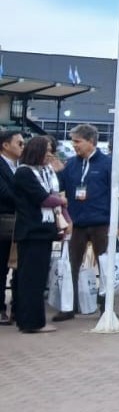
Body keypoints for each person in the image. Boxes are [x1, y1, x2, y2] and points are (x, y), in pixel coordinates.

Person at [55, 124, 117, 322]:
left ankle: (106, 305)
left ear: (91, 141)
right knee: (71, 265)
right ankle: (69, 306)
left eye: (77, 141)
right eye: (73, 141)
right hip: (76, 223)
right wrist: (57, 172)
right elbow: (59, 186)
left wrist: (118, 220)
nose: (74, 145)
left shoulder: (108, 164)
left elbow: (118, 193)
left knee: (104, 265)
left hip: (101, 223)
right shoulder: (70, 164)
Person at [11, 135, 68, 333]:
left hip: (44, 231)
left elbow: (56, 193)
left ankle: (30, 319)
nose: (50, 155)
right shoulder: (24, 173)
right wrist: (61, 201)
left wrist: (64, 217)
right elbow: (42, 198)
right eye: (47, 151)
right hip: (31, 232)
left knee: (38, 278)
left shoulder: (46, 172)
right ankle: (31, 322)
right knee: (31, 279)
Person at [0, 129, 24, 326]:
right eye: (19, 143)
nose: (23, 147)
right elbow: (5, 193)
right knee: (1, 267)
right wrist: (29, 199)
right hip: (4, 222)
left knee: (19, 268)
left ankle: (18, 308)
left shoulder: (21, 167)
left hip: (21, 223)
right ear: (6, 145)